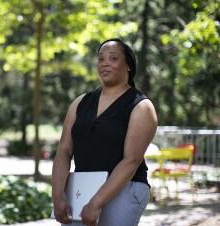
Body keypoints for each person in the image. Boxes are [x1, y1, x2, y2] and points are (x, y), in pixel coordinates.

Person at [51, 38, 158, 226]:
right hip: (82, 189)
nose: (105, 63)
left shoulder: (141, 107)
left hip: (125, 188)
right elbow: (64, 150)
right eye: (101, 59)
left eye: (113, 58)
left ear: (129, 66)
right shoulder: (80, 103)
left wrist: (96, 202)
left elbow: (131, 160)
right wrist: (58, 196)